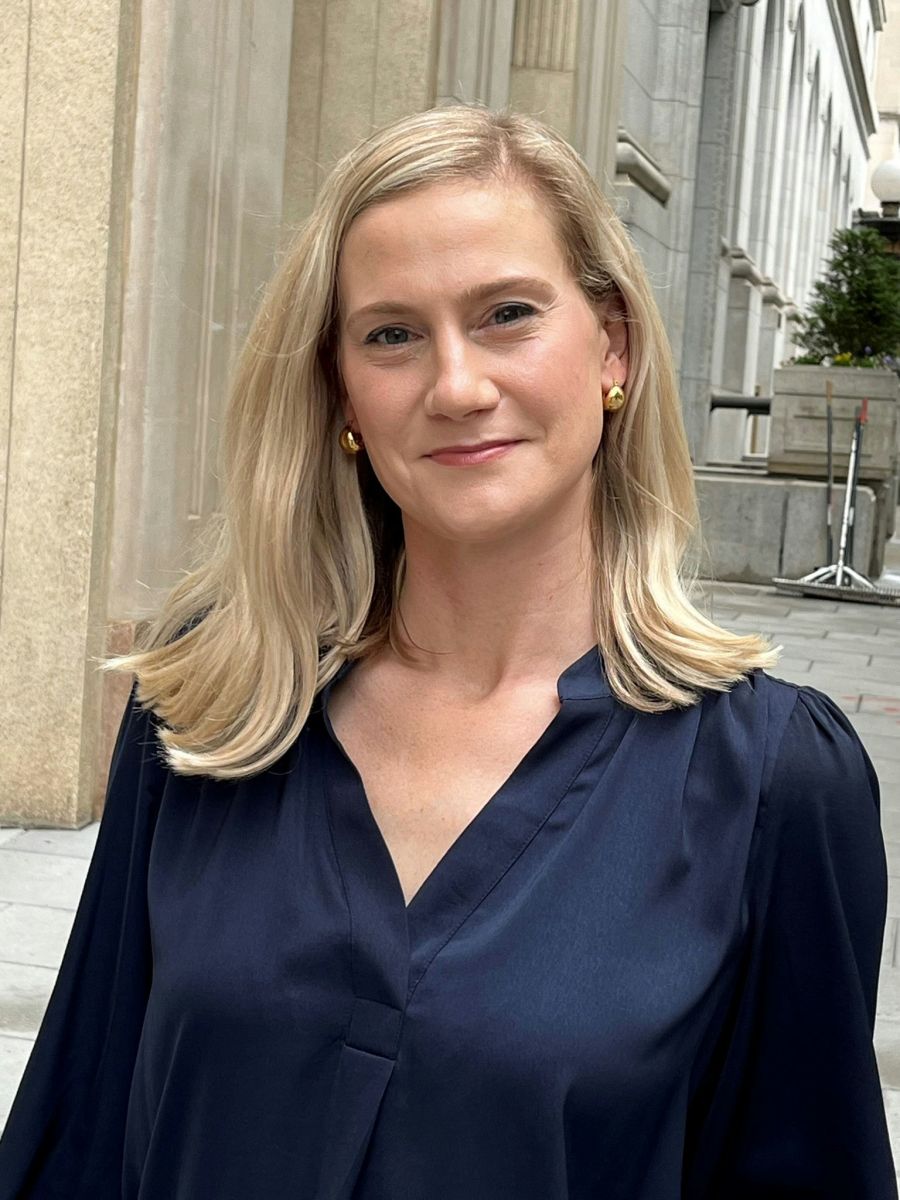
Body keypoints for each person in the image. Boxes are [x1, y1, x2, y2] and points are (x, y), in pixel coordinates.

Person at [0, 104, 895, 1200]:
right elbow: (80, 1133)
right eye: (391, 334)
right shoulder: (217, 703)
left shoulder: (770, 784)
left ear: (611, 345)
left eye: (508, 314)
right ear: (342, 393)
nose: (457, 385)